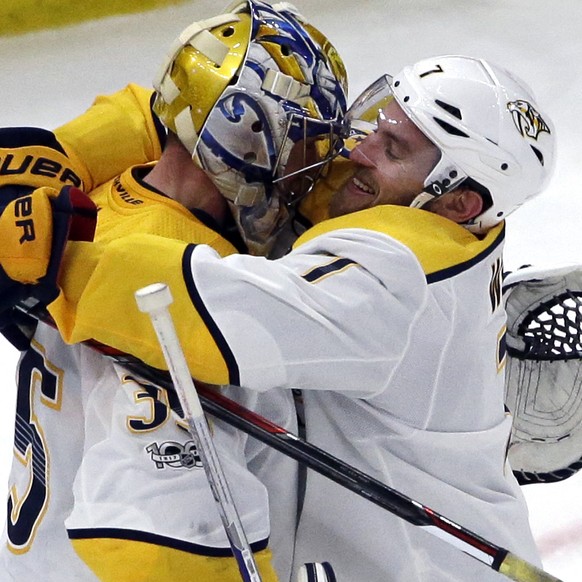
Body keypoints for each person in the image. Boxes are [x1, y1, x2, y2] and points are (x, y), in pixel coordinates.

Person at [7, 53, 557, 582]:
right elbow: (206, 110)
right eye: (377, 120)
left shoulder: (392, 281)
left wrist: (54, 262)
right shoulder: (413, 212)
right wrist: (66, 153)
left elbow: (214, 311)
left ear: (456, 202)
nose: (359, 151)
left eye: (392, 149)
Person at [0, 1, 347, 580]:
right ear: (240, 138)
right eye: (300, 146)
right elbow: (162, 529)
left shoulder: (104, 202)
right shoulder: (185, 277)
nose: (309, 173)